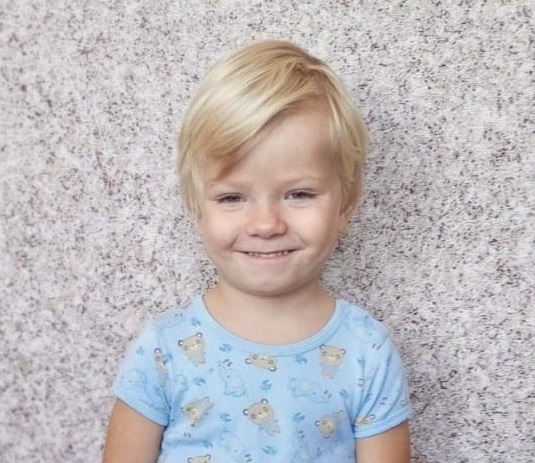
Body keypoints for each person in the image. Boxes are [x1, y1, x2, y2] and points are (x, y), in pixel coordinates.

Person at [102, 40, 411, 463]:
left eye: (299, 194)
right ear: (196, 209)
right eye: (232, 198)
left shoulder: (366, 352)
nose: (266, 225)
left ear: (346, 206)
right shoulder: (166, 348)